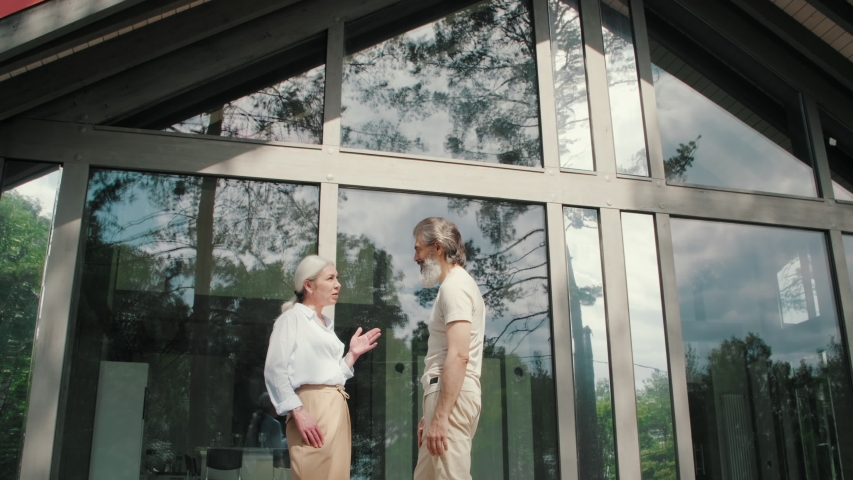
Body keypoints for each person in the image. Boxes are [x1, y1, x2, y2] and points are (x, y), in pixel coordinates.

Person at [264, 255, 381, 480]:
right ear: (308, 285)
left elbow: (333, 376)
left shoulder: (326, 325)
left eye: (337, 278)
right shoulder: (292, 319)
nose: (338, 284)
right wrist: (297, 411)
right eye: (330, 278)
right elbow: (274, 369)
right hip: (311, 406)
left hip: (337, 404)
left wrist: (352, 355)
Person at [412, 218, 486, 480]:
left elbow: (459, 354)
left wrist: (441, 416)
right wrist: (430, 416)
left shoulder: (455, 287)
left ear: (438, 248)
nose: (415, 257)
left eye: (419, 248)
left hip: (451, 397)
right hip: (444, 394)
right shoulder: (453, 286)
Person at [245, 392, 287, 467]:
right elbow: (277, 450)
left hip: (251, 464)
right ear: (271, 405)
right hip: (269, 464)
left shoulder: (254, 421)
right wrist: (289, 440)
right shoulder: (274, 423)